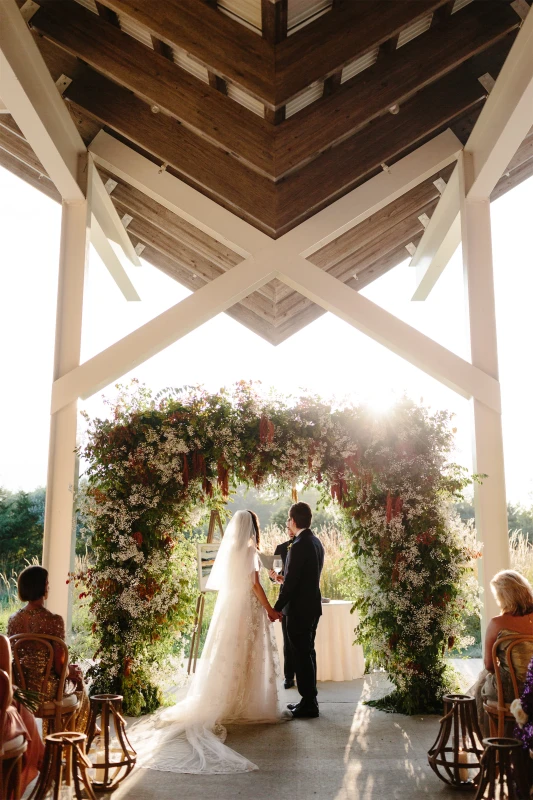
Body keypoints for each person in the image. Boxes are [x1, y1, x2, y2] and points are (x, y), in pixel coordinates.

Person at [139, 509, 289, 774]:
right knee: (249, 654)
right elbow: (255, 585)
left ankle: (227, 697)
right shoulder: (251, 551)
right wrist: (268, 609)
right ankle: (245, 700)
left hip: (232, 609)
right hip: (249, 608)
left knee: (231, 652)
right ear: (253, 529)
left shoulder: (230, 551)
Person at [7, 565, 90, 735]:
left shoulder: (13, 620)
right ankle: (73, 740)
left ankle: (61, 739)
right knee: (78, 679)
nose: (49, 587)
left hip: (21, 692)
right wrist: (70, 671)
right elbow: (60, 668)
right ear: (43, 587)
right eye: (47, 583)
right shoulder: (54, 621)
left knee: (70, 674)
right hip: (45, 693)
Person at [273, 502, 324, 719]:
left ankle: (309, 704)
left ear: (294, 521)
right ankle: (308, 700)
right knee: (307, 653)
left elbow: (291, 583)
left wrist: (276, 608)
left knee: (302, 655)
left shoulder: (300, 544)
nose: (288, 523)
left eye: (288, 519)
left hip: (299, 610)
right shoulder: (315, 541)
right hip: (311, 607)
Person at [473, 569, 533, 734]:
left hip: (510, 692)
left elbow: (489, 664)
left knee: (480, 686)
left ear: (504, 597)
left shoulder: (497, 623)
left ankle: (495, 745)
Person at [0, 633, 44, 795]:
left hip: (24, 682)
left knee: (16, 700)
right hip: (43, 687)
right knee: (16, 702)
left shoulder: (14, 620)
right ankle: (42, 759)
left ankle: (42, 759)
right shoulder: (1, 642)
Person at [269, 521, 296, 689]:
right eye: (287, 528)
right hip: (285, 600)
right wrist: (273, 576)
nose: (289, 531)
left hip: (300, 598)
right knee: (287, 641)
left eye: (291, 527)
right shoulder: (281, 548)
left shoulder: (305, 545)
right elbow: (274, 574)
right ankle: (288, 677)